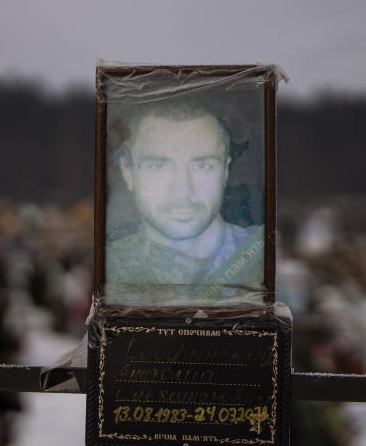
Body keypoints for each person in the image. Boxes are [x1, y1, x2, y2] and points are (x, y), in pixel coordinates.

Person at [106, 101, 264, 303]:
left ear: (225, 171)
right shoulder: (110, 266)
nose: (182, 192)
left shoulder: (262, 257)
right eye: (157, 166)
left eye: (203, 166)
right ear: (128, 172)